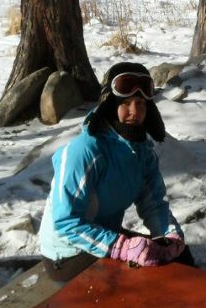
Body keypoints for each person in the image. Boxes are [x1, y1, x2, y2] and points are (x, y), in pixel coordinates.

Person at [39, 61, 193, 282]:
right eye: (126, 103)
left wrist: (168, 236)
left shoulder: (142, 152)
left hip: (104, 236)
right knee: (141, 278)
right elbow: (66, 223)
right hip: (66, 252)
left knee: (180, 258)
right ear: (111, 105)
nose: (134, 112)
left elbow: (154, 204)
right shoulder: (85, 151)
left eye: (140, 103)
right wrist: (120, 246)